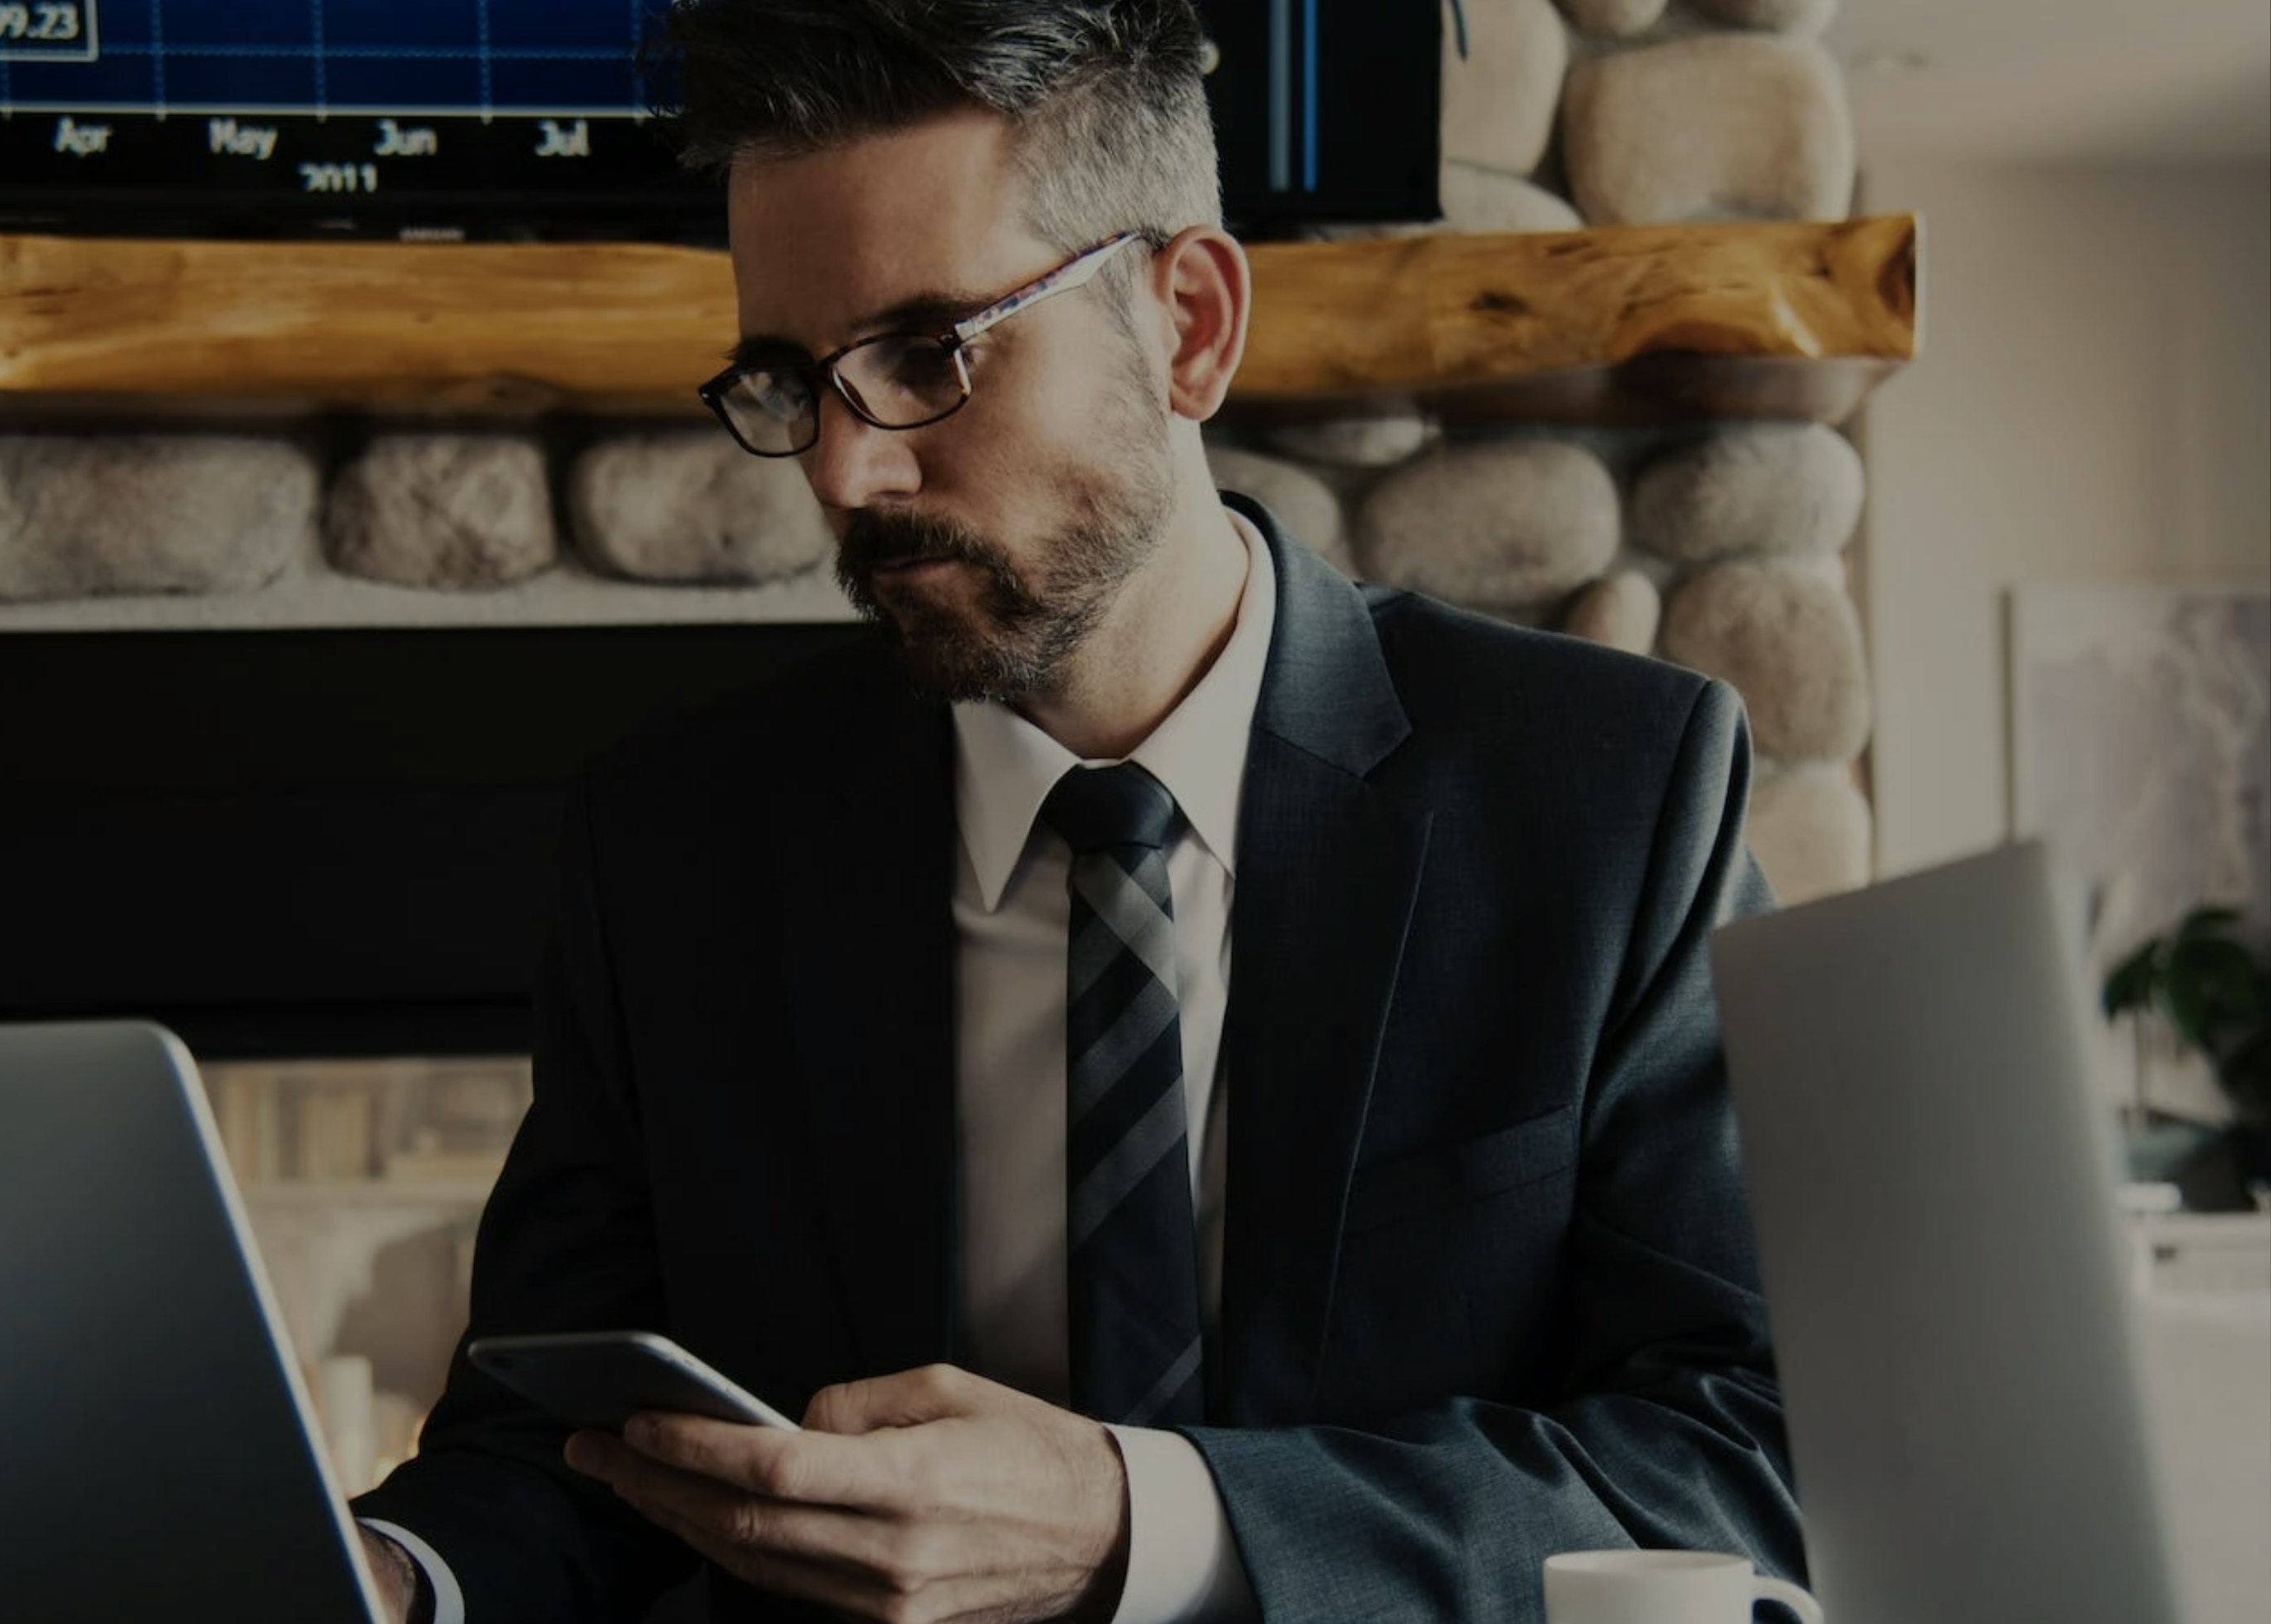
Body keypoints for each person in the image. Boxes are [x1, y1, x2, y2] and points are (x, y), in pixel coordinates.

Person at [351, 3, 1802, 1620]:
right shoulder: (675, 849)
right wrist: (388, 1581)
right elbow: (561, 1461)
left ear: (1185, 324)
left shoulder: (1604, 793)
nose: (841, 475)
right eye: (786, 379)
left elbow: (1745, 1454)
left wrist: (1144, 1523)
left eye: (925, 358)